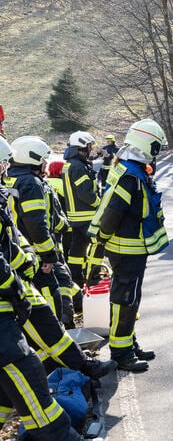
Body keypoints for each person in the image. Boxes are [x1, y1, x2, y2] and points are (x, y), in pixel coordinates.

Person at [0, 136, 89, 441]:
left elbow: (10, 241)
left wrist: (26, 265)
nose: (4, 168)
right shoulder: (29, 184)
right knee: (28, 371)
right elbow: (35, 225)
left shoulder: (10, 189)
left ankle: (81, 367)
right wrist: (16, 283)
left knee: (10, 385)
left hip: (13, 293)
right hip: (5, 304)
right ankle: (61, 435)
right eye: (1, 163)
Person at [88, 119, 168, 373]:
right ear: (147, 144)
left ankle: (129, 345)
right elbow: (113, 212)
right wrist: (102, 243)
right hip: (126, 249)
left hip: (132, 249)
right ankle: (121, 353)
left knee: (131, 299)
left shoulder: (131, 169)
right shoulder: (130, 176)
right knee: (125, 300)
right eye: (156, 146)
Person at [4, 137, 74, 324]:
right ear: (32, 158)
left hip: (17, 253)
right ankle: (55, 346)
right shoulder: (30, 183)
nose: (46, 163)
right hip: (35, 255)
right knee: (50, 302)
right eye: (43, 159)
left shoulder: (10, 179)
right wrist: (49, 256)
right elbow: (36, 223)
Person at [62, 131, 101, 325]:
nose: (91, 149)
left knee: (77, 250)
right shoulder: (78, 166)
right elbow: (86, 193)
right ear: (82, 147)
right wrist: (100, 204)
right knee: (97, 245)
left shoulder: (72, 164)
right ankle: (93, 276)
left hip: (76, 217)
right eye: (89, 146)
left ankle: (76, 279)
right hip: (86, 216)